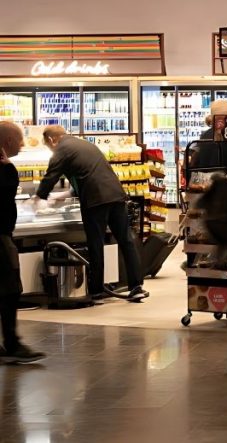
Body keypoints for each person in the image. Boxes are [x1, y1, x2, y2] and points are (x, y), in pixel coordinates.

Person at [35, 126, 147, 303]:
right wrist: (62, 195)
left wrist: (39, 196)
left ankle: (96, 291)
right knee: (125, 241)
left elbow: (51, 175)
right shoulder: (84, 144)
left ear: (51, 140)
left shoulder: (62, 148)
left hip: (95, 201)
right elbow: (88, 174)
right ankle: (136, 286)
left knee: (96, 244)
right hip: (116, 195)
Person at [0, 123, 45, 364]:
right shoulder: (4, 168)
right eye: (19, 140)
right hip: (1, 237)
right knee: (10, 290)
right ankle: (12, 343)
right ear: (7, 141)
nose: (23, 144)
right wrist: (9, 169)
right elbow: (6, 193)